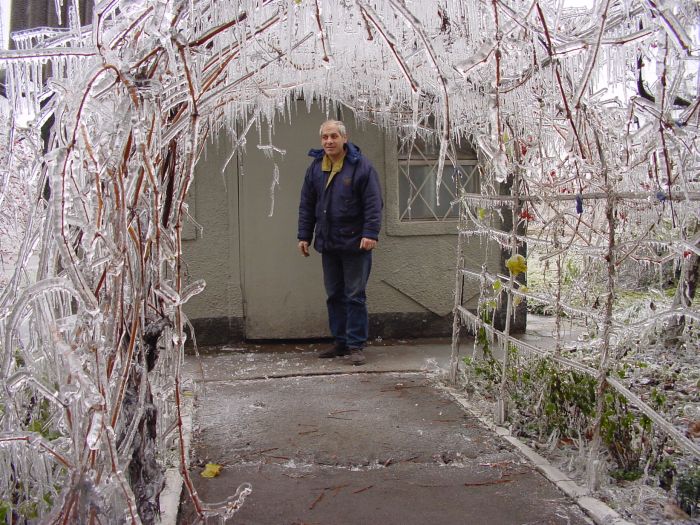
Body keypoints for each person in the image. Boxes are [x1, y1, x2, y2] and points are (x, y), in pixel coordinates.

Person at [297, 120, 383, 366]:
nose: (329, 141)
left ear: (345, 138)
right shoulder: (316, 167)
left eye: (334, 136)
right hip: (329, 242)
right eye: (325, 137)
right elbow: (307, 205)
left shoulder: (361, 167)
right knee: (334, 295)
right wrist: (304, 236)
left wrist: (370, 233)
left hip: (356, 243)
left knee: (354, 295)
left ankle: (356, 345)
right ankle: (341, 342)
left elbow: (373, 204)